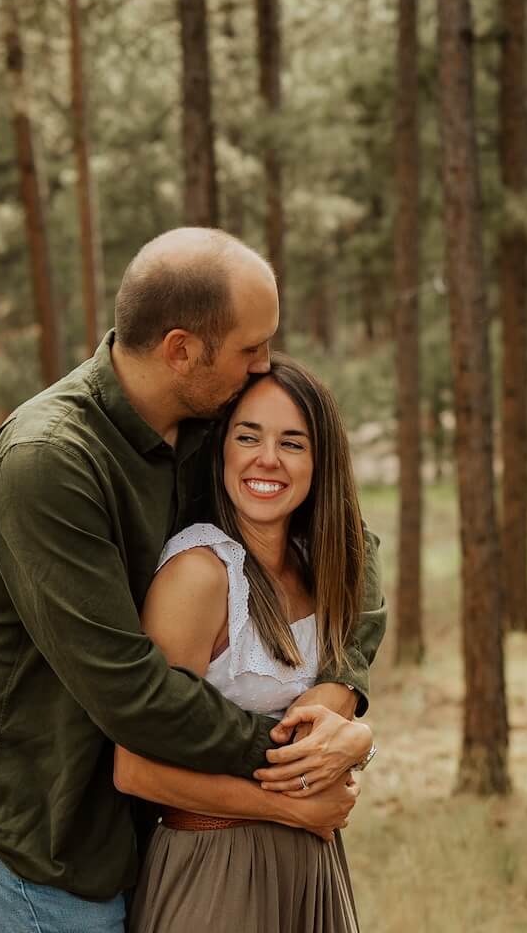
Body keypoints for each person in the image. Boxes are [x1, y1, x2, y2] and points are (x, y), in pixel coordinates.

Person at [0, 227, 385, 932]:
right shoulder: (48, 461)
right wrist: (300, 758)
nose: (264, 365)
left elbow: (349, 541)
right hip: (44, 836)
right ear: (181, 350)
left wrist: (340, 701)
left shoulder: (209, 424)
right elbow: (134, 694)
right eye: (250, 347)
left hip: (151, 830)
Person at [116, 355, 373, 932]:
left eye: (292, 443)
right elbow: (136, 769)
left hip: (313, 869)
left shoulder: (318, 568)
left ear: (322, 461)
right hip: (215, 872)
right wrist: (287, 807)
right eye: (248, 436)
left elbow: (319, 720)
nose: (267, 459)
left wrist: (360, 741)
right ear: (222, 450)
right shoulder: (201, 574)